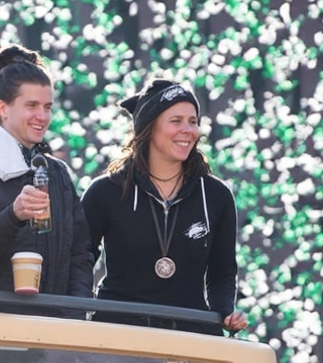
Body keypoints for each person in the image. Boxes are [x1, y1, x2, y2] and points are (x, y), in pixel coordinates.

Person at [81, 78, 248, 336]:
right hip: (118, 337)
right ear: (149, 127)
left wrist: (224, 312)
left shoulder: (216, 195)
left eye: (193, 122)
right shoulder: (106, 191)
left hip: (190, 338)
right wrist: (78, 314)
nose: (189, 130)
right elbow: (80, 260)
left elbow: (222, 273)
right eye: (176, 121)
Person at [0, 44, 93, 299]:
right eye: (32, 105)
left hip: (55, 327)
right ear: (3, 108)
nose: (42, 116)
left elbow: (80, 254)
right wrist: (13, 215)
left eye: (47, 107)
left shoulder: (57, 173)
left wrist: (74, 313)